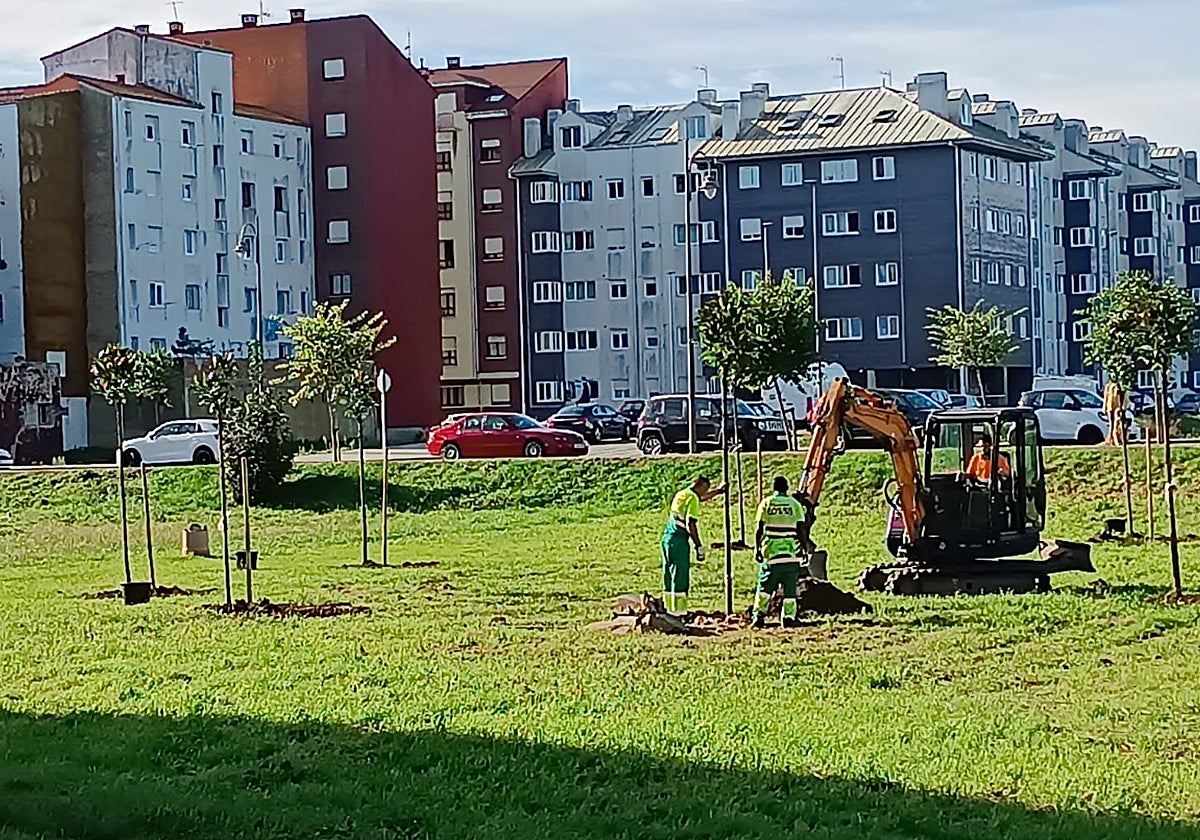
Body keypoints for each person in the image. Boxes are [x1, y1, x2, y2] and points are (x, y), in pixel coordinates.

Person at [661, 475, 726, 613]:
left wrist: (718, 491)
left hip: (667, 539)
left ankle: (668, 608)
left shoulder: (682, 494)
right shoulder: (693, 498)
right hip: (679, 540)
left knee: (669, 574)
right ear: (702, 486)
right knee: (680, 576)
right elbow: (690, 523)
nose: (705, 493)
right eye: (706, 489)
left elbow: (701, 498)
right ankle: (679, 611)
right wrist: (698, 545)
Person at [751, 476, 808, 628]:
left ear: (774, 488)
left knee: (765, 588)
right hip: (790, 553)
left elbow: (759, 529)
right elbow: (801, 529)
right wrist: (804, 549)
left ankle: (759, 615)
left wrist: (757, 548)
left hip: (771, 552)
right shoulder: (795, 504)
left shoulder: (766, 503)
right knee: (790, 589)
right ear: (787, 488)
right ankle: (788, 617)